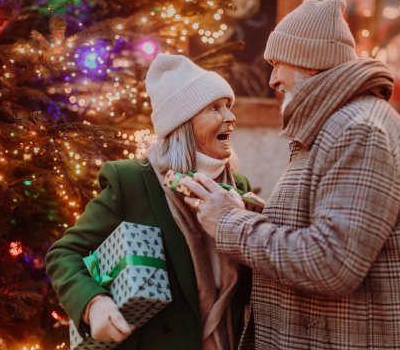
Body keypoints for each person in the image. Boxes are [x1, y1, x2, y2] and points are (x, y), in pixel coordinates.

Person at [182, 0, 400, 349]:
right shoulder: (332, 124)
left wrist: (229, 224)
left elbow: (332, 262)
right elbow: (317, 226)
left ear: (310, 62)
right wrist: (250, 211)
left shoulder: (359, 130)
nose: (273, 80)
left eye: (279, 64)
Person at [46, 54, 259, 350]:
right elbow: (64, 254)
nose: (230, 117)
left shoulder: (239, 189)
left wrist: (245, 225)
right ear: (184, 123)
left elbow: (250, 288)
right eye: (214, 108)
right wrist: (93, 303)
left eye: (228, 106)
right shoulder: (132, 181)